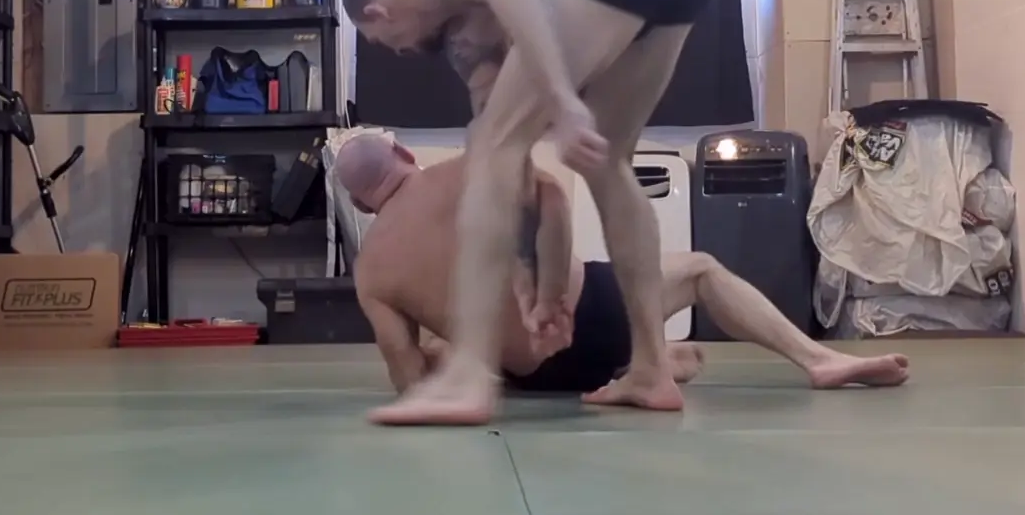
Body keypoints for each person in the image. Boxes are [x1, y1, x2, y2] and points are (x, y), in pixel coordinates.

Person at [342, 0, 717, 425]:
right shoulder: (469, 19)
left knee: (491, 145)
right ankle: (650, 368)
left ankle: (468, 375)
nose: (401, 52)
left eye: (385, 42)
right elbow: (509, 177)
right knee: (608, 159)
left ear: (378, 12)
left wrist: (563, 100)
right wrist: (525, 275)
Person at [334, 135, 910, 398]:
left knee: (441, 344)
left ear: (361, 203)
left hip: (534, 377)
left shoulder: (372, 272)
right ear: (405, 155)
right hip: (594, 314)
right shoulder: (462, 170)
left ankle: (637, 360)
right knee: (700, 269)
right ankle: (819, 360)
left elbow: (407, 377)